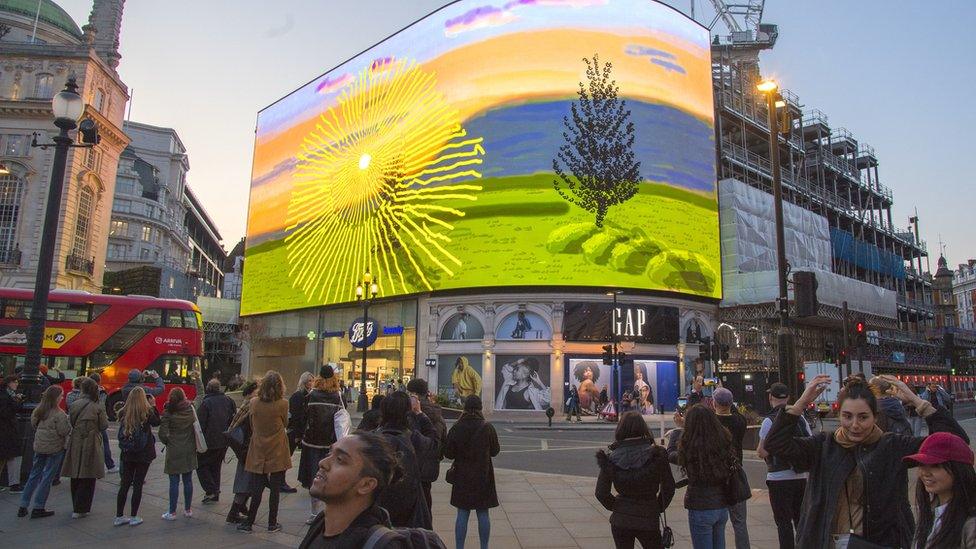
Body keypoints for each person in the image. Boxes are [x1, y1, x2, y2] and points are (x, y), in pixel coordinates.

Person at [764, 374, 969, 548]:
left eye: (863, 417)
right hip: (826, 541)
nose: (854, 425)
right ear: (839, 415)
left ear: (875, 416)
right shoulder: (823, 445)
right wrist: (800, 403)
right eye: (847, 416)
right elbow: (775, 445)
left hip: (880, 542)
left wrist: (917, 401)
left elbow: (954, 444)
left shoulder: (891, 445)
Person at [299, 431, 447, 549]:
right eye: (329, 454)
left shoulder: (379, 544)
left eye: (340, 460)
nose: (322, 463)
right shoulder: (320, 524)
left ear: (366, 485)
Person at [596, 411, 676, 549]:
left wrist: (617, 506)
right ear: (643, 428)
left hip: (621, 518)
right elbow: (669, 487)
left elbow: (601, 492)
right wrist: (658, 507)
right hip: (648, 514)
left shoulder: (611, 458)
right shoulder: (657, 455)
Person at [667, 405, 735, 549]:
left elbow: (672, 455)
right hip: (721, 503)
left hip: (701, 504)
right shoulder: (722, 440)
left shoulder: (692, 446)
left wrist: (678, 430)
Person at [756, 382, 810, 549]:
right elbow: (809, 442)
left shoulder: (769, 420)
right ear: (787, 398)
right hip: (800, 476)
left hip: (778, 477)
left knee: (783, 522)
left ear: (770, 397)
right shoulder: (800, 418)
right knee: (800, 519)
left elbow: (762, 452)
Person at [375, 391, 437, 528]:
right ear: (407, 413)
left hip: (378, 507)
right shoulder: (414, 438)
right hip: (409, 509)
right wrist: (420, 414)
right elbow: (433, 441)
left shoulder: (373, 440)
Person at [239, 370, 291, 533]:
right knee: (275, 489)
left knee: (257, 488)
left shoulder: (254, 402)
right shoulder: (283, 404)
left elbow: (252, 424)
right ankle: (272, 522)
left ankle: (249, 522)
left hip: (258, 447)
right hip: (277, 448)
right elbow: (285, 424)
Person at [445, 396, 500, 549]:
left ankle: (459, 546)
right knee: (483, 513)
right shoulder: (487, 427)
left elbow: (448, 453)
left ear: (465, 408)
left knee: (462, 513)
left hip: (462, 476)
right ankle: (484, 546)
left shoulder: (457, 427)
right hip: (483, 475)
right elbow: (495, 451)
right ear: (480, 408)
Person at [905, 431, 976, 548]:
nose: (925, 473)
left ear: (958, 470)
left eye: (935, 466)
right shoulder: (931, 511)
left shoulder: (970, 524)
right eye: (921, 464)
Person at [298, 366, 346, 524]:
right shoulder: (338, 396)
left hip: (312, 442)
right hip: (331, 444)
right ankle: (330, 512)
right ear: (334, 378)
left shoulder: (312, 395)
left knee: (315, 477)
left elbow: (304, 418)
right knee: (331, 477)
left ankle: (313, 513)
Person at [17, 384, 69, 518]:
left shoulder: (38, 410)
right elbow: (63, 431)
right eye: (61, 396)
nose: (62, 398)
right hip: (54, 448)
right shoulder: (59, 414)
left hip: (39, 446)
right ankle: (38, 506)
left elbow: (34, 424)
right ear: (56, 398)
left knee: (34, 475)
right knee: (47, 478)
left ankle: (23, 505)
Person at [62, 377, 108, 518]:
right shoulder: (98, 405)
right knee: (88, 474)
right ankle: (82, 507)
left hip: (76, 440)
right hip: (91, 440)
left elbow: (70, 421)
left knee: (75, 472)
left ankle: (76, 504)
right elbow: (103, 425)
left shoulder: (75, 404)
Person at [114, 386, 160, 526]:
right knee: (138, 484)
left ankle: (119, 515)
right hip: (143, 452)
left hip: (128, 452)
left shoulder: (124, 412)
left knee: (125, 484)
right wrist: (153, 405)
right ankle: (134, 515)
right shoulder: (147, 412)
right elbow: (157, 422)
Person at [712, 387, 750, 549]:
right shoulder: (739, 421)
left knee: (715, 522)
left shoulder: (712, 422)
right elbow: (734, 412)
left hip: (715, 475)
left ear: (714, 403)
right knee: (740, 522)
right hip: (735, 473)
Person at [407, 378, 447, 514]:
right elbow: (442, 441)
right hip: (430, 467)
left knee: (409, 507)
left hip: (410, 466)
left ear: (414, 394)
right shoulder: (438, 415)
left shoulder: (408, 414)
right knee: (425, 503)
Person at [158, 387, 197, 520]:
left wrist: (168, 441)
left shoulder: (168, 412)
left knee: (173, 481)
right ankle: (188, 509)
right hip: (189, 447)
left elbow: (162, 434)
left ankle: (172, 511)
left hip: (174, 448)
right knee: (188, 480)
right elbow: (201, 396)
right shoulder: (190, 409)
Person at [196, 378, 236, 503]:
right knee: (216, 467)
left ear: (208, 388)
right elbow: (232, 419)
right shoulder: (229, 401)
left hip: (209, 440)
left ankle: (212, 490)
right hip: (223, 440)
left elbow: (200, 424)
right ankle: (213, 492)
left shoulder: (206, 403)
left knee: (201, 465)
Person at [226, 380, 258, 524]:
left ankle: (240, 507)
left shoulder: (248, 404)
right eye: (258, 391)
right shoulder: (251, 405)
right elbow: (240, 426)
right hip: (247, 448)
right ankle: (234, 512)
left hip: (244, 447)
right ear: (252, 392)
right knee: (246, 480)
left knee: (247, 479)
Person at [88, 372, 117, 473]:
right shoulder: (101, 392)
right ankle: (110, 465)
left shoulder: (83, 391)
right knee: (104, 443)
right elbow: (102, 408)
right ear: (99, 381)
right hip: (98, 421)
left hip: (86, 422)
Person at [0, 374, 24, 492]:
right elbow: (8, 412)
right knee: (13, 456)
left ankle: (13, 483)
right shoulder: (5, 396)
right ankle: (14, 484)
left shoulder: (6, 394)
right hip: (7, 431)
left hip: (6, 431)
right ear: (8, 383)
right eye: (15, 382)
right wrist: (18, 401)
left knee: (8, 457)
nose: (17, 384)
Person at [288, 371, 314, 456]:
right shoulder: (297, 395)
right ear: (304, 381)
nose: (311, 383)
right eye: (309, 381)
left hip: (304, 430)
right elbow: (295, 416)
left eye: (312, 381)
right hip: (295, 430)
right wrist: (297, 434)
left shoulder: (311, 395)